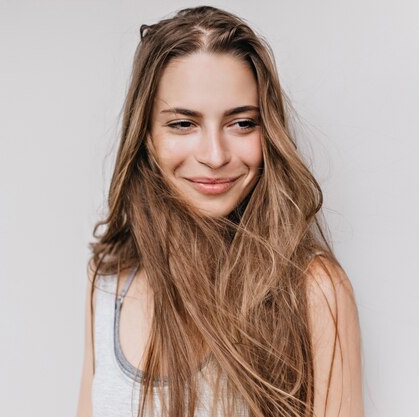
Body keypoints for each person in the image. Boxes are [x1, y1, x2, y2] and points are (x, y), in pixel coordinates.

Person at [76, 6, 363, 417]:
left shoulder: (316, 291)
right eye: (182, 124)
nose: (215, 156)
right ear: (146, 137)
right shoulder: (106, 279)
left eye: (242, 123)